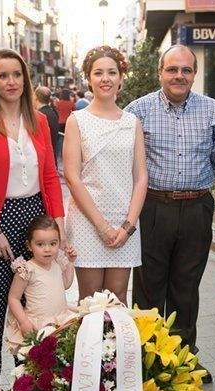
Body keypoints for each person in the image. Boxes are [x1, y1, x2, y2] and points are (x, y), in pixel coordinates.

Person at [124, 45, 215, 384]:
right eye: (172, 69)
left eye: (186, 70)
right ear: (160, 72)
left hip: (196, 207)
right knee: (149, 289)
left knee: (186, 288)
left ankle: (183, 360)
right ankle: (148, 361)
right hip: (153, 208)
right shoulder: (138, 111)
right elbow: (128, 165)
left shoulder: (211, 110)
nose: (178, 76)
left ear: (194, 74)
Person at [0, 48, 64, 391]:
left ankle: (26, 382)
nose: (11, 82)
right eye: (3, 75)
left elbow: (49, 176)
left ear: (26, 80)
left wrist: (58, 224)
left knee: (34, 305)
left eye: (16, 75)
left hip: (35, 217)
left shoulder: (39, 121)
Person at [64, 46, 147, 304]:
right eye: (98, 73)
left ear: (122, 78)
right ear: (89, 78)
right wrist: (101, 226)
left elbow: (141, 176)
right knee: (89, 301)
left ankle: (118, 347)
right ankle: (88, 347)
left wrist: (128, 226)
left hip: (124, 222)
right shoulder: (76, 120)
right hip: (88, 222)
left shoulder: (132, 121)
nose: (105, 78)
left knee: (118, 298)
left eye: (112, 72)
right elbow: (72, 177)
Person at [5, 215, 76, 354]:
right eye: (40, 244)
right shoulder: (27, 269)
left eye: (53, 243)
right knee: (40, 362)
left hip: (60, 321)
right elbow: (13, 298)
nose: (47, 249)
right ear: (29, 246)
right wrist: (23, 321)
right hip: (38, 325)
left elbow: (66, 284)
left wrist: (71, 262)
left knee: (59, 359)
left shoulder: (57, 264)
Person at [34, 86, 59, 162]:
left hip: (45, 159)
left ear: (36, 97)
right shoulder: (53, 112)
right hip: (52, 156)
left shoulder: (40, 115)